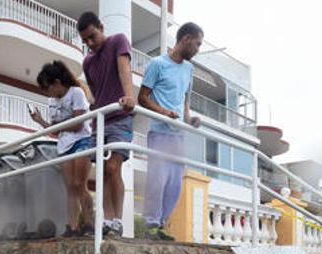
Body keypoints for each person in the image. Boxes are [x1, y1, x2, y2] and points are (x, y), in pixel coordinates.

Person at [138, 22, 204, 241]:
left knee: (175, 184)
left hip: (178, 135)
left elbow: (185, 101)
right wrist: (164, 112)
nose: (198, 49)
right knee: (157, 180)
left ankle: (162, 225)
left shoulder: (189, 69)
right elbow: (143, 97)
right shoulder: (157, 64)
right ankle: (150, 225)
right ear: (185, 39)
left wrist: (189, 119)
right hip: (159, 131)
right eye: (197, 44)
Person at [77, 11, 136, 237]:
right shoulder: (88, 61)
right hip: (100, 121)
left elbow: (124, 69)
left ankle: (117, 220)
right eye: (85, 41)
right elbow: (95, 91)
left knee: (113, 168)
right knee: (101, 174)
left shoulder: (118, 40)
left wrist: (129, 96)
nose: (90, 44)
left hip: (120, 117)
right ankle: (108, 221)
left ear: (101, 27)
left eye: (92, 36)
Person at [29, 60, 95, 236]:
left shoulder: (76, 93)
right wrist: (40, 121)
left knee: (80, 184)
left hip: (82, 141)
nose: (47, 92)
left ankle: (89, 224)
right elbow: (55, 130)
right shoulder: (51, 100)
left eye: (47, 87)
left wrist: (60, 124)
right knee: (70, 188)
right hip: (64, 146)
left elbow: (78, 125)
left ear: (57, 83)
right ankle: (72, 227)